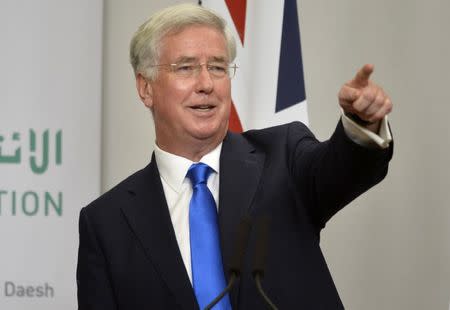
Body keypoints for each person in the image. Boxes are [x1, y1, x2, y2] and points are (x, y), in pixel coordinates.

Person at [76, 3, 393, 309]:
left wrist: (360, 124)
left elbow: (344, 169)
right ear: (146, 88)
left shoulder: (283, 158)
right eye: (186, 67)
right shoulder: (105, 223)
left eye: (217, 67)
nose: (206, 84)